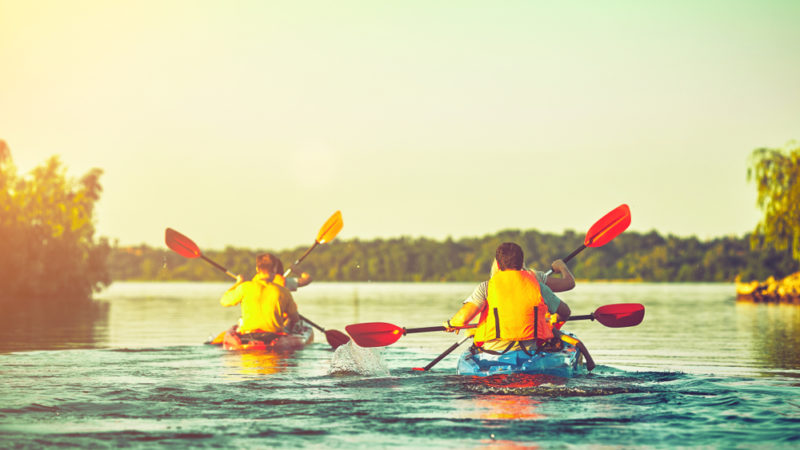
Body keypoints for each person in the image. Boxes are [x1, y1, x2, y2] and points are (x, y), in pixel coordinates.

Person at [443, 242, 573, 354]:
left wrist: (450, 324)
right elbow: (565, 312)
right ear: (521, 263)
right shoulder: (538, 287)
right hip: (529, 354)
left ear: (498, 265)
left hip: (492, 355)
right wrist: (554, 321)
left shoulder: (486, 287)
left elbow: (461, 320)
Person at [220, 253, 301, 335]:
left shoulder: (244, 287)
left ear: (257, 269)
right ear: (274, 269)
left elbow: (224, 301)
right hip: (274, 337)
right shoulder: (284, 291)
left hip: (249, 335)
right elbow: (295, 318)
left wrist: (238, 282)